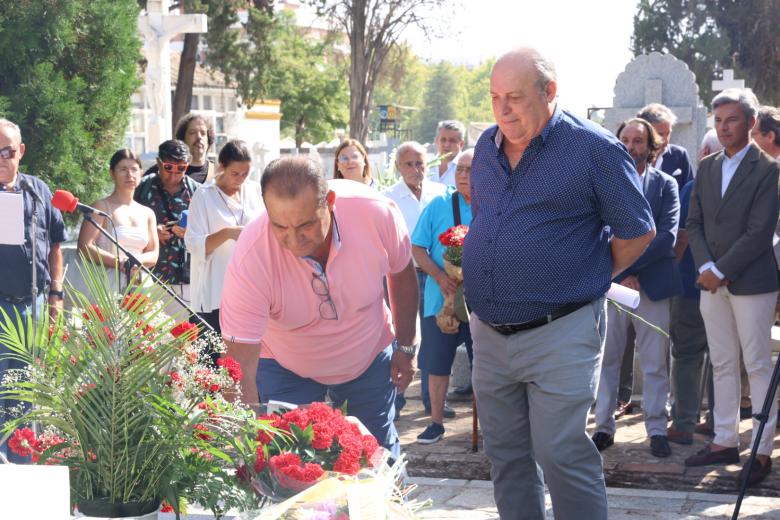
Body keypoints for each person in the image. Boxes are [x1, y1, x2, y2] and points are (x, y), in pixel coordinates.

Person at [463, 48, 655, 520]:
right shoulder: (486, 150)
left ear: (549, 92)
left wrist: (585, 275)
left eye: (514, 97)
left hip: (561, 331)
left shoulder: (594, 150)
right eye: (494, 98)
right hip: (489, 333)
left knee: (560, 455)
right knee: (506, 459)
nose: (503, 109)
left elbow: (639, 231)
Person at [219, 157, 419, 457]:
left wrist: (405, 347)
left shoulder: (377, 212)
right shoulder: (251, 256)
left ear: (330, 202)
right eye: (280, 226)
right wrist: (251, 449)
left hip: (367, 356)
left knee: (377, 459)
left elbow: (402, 274)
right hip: (286, 367)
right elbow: (239, 365)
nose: (294, 239)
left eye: (306, 224)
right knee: (291, 465)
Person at [685, 88, 780, 487]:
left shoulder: (769, 170)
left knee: (757, 364)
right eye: (719, 121)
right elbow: (695, 223)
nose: (724, 128)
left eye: (733, 120)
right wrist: (707, 267)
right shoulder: (706, 167)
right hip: (711, 281)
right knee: (722, 362)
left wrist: (721, 269)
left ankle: (760, 448)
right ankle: (725, 439)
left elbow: (760, 233)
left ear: (751, 123)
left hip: (753, 281)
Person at [591, 118, 681, 458]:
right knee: (608, 359)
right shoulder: (604, 182)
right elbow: (600, 232)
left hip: (651, 285)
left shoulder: (666, 185)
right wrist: (619, 272)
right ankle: (603, 426)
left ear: (651, 146)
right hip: (612, 285)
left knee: (656, 362)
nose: (631, 146)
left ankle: (656, 428)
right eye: (625, 139)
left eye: (638, 140)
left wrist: (631, 268)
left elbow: (666, 236)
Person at [0, 118, 66, 463]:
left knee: (25, 387)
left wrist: (56, 294)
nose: (1, 158)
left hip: (34, 304)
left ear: (20, 151)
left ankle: (23, 461)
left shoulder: (38, 190)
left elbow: (56, 245)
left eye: (7, 151)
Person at [412, 149, 474, 444]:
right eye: (460, 169)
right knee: (436, 365)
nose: (464, 175)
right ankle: (435, 422)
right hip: (442, 301)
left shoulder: (496, 205)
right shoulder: (439, 205)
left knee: (488, 369)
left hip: (483, 305)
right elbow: (418, 247)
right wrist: (439, 277)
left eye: (471, 170)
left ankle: (490, 426)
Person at [382, 141, 448, 418]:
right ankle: (394, 399)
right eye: (408, 164)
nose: (415, 169)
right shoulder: (388, 197)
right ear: (398, 167)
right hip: (401, 276)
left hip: (435, 276)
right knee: (399, 336)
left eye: (420, 163)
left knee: (432, 337)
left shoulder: (441, 194)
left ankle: (432, 401)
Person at [185, 140, 264, 357]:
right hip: (215, 289)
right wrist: (228, 233)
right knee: (213, 357)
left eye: (245, 173)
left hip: (250, 288)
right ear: (221, 166)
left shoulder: (255, 191)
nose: (240, 179)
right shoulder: (204, 195)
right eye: (234, 173)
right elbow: (193, 243)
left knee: (247, 357)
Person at [75, 149, 159, 295]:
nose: (129, 175)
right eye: (123, 169)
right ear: (112, 174)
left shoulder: (147, 213)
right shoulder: (101, 207)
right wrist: (117, 261)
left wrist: (136, 260)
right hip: (108, 285)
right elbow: (85, 246)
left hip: (140, 283)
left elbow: (154, 253)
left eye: (134, 169)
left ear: (141, 173)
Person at [666, 178, 711, 444]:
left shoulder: (694, 186)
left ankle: (684, 422)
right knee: (723, 358)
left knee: (686, 354)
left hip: (691, 283)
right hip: (729, 280)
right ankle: (719, 421)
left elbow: (681, 234)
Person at [134, 140, 200, 318]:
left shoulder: (197, 192)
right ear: (158, 163)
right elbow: (126, 222)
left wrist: (190, 233)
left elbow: (207, 231)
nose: (174, 175)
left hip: (186, 278)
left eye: (181, 169)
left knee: (185, 338)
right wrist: (151, 233)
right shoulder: (141, 188)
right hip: (149, 277)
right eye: (168, 167)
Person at [637, 103, 695, 190]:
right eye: (660, 134)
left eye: (668, 134)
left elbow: (689, 192)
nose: (665, 139)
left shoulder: (679, 155)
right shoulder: (633, 155)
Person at [145, 114, 216, 184]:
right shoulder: (164, 169)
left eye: (203, 133)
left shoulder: (217, 173)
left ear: (208, 140)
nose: (199, 137)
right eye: (192, 133)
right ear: (183, 139)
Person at [428, 120, 465, 186]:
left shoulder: (468, 168)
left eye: (452, 141)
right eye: (443, 139)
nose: (447, 144)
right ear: (436, 141)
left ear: (461, 144)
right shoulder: (427, 166)